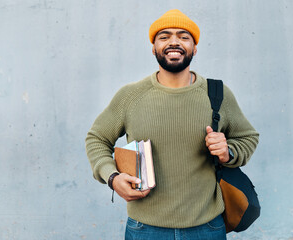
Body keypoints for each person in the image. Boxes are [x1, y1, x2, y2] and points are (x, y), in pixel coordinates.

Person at [85, 9, 259, 240]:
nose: (174, 42)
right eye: (164, 36)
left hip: (206, 228)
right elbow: (97, 138)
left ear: (194, 48)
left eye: (183, 36)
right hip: (144, 228)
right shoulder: (130, 96)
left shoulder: (217, 94)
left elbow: (247, 137)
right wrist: (112, 177)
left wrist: (228, 151)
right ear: (154, 48)